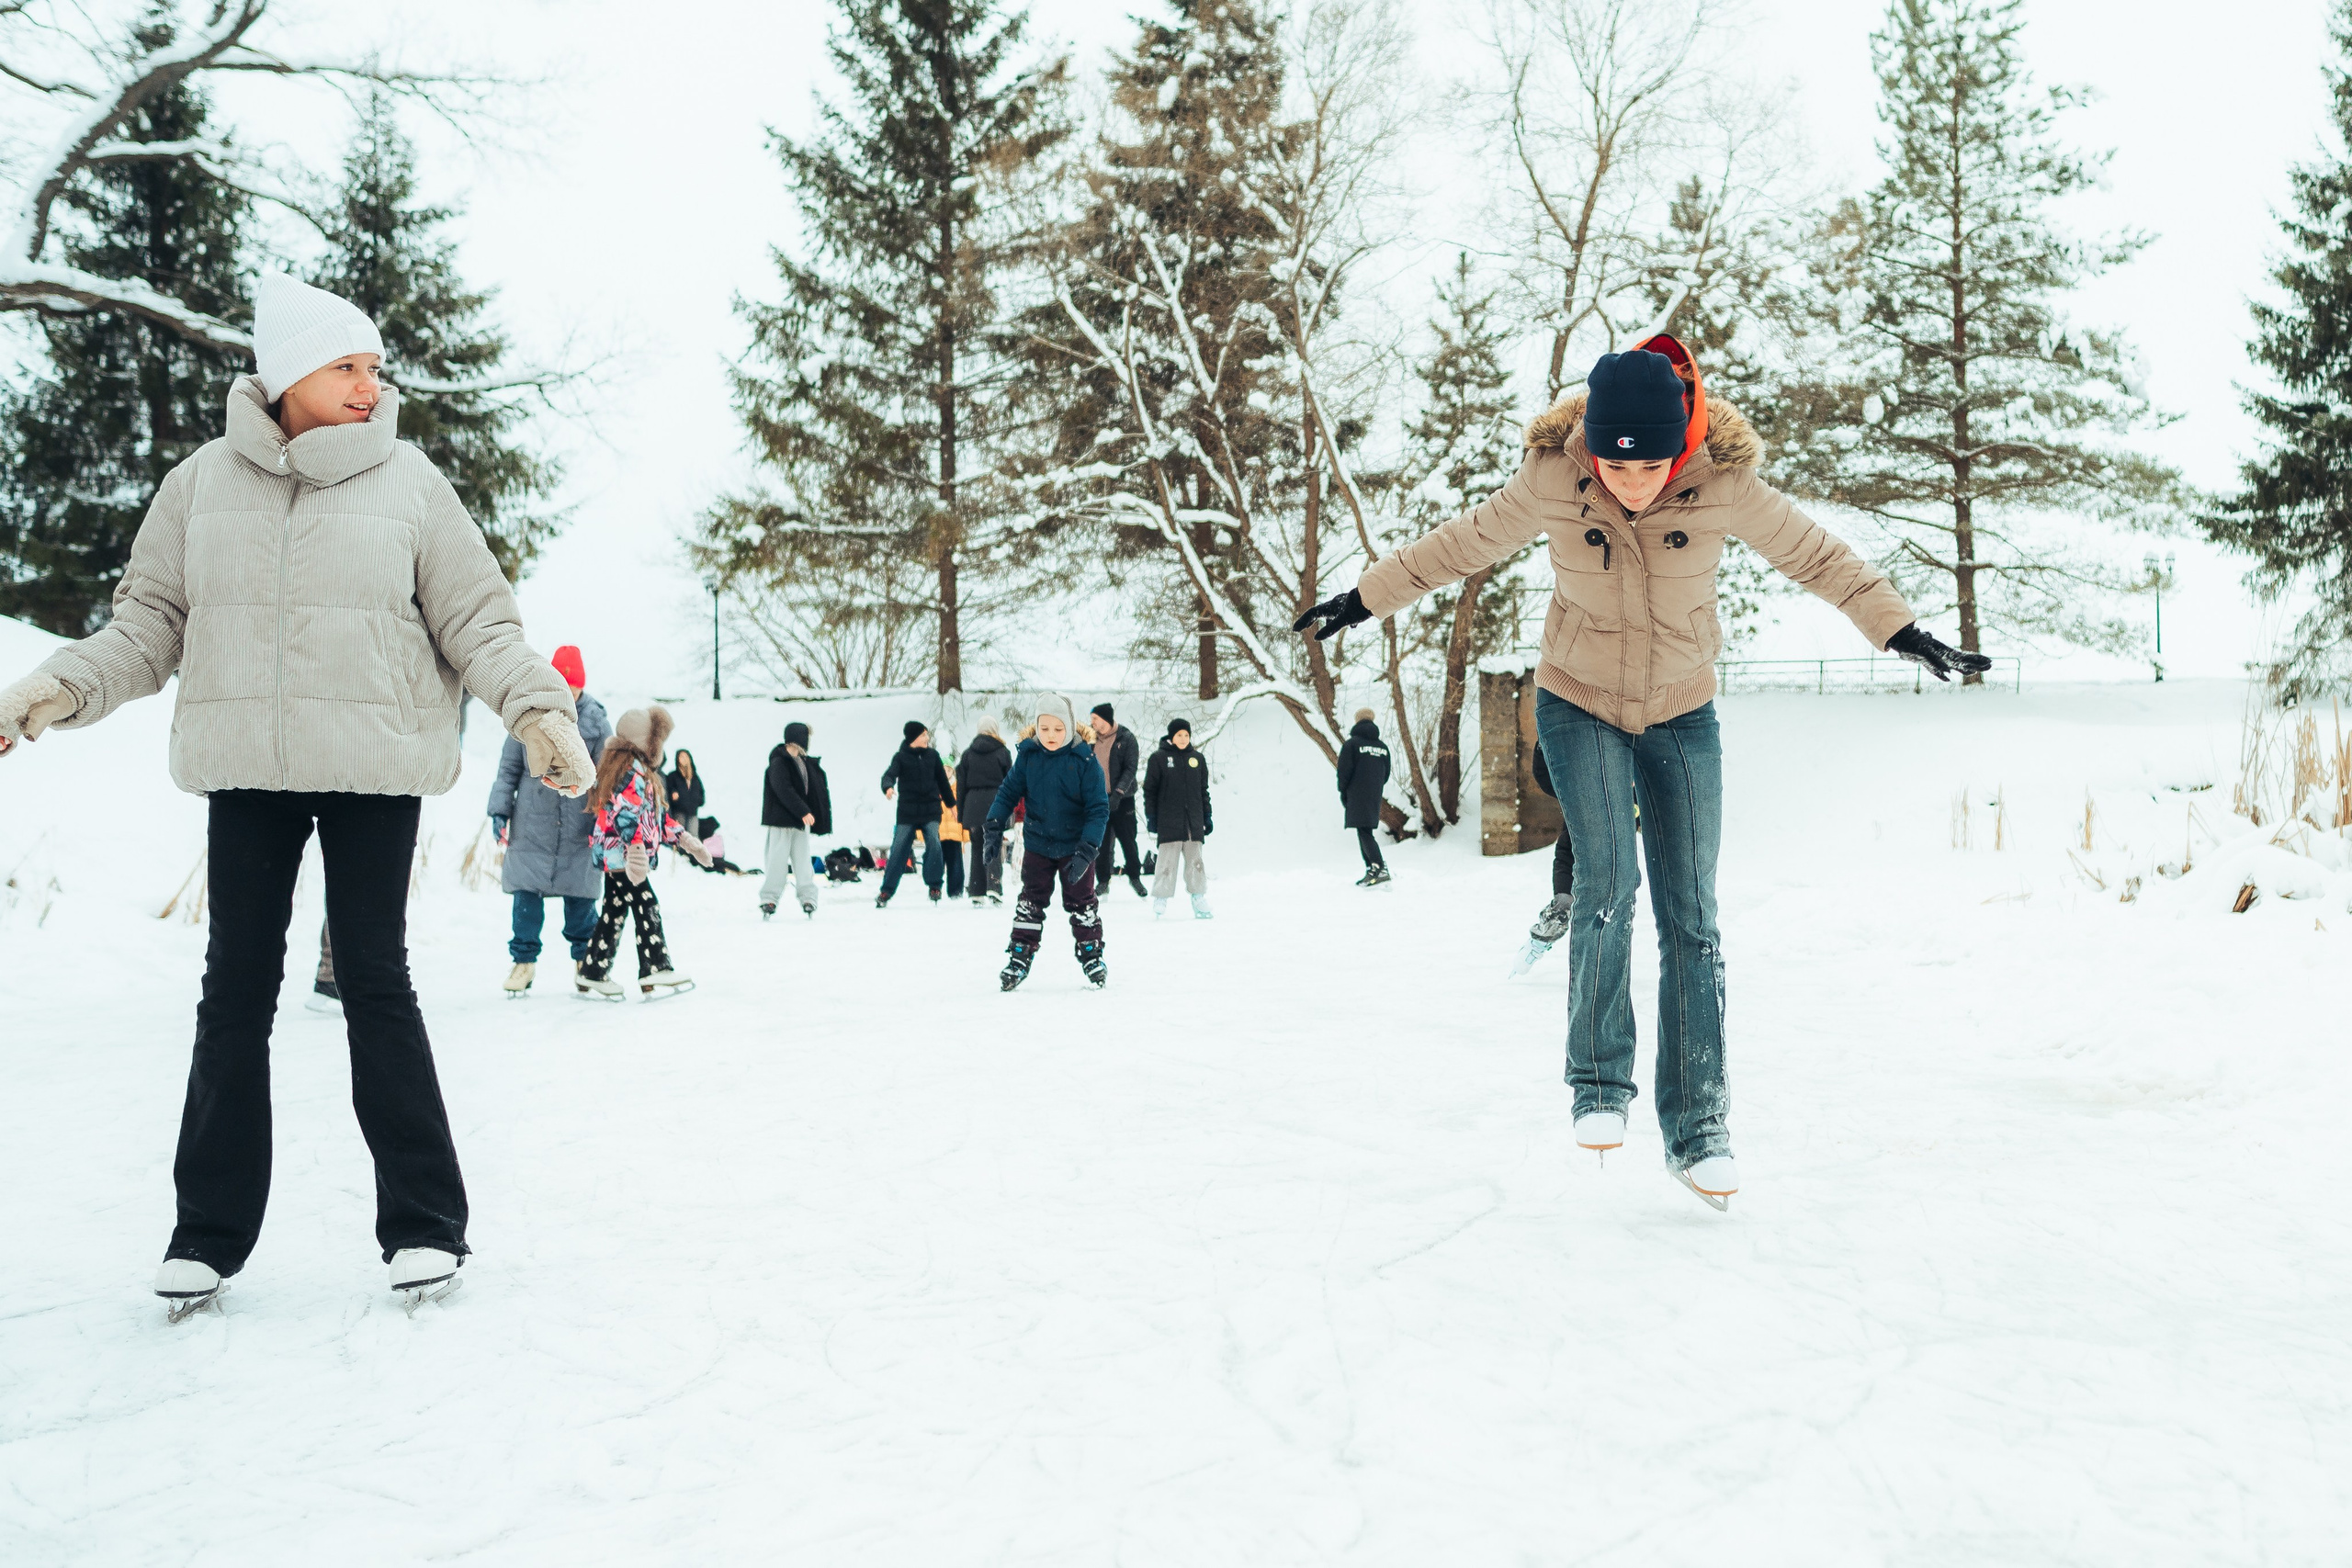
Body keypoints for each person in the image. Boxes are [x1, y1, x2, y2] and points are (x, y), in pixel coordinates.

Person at [0, 271, 595, 1315]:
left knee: (374, 979)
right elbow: (146, 629)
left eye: (374, 368)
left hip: (374, 768)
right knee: (234, 988)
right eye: (345, 368)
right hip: (249, 771)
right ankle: (206, 1237)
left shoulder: (409, 483)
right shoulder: (198, 486)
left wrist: (537, 714)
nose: (369, 385)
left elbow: (480, 623)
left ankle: (423, 1227)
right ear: (285, 376)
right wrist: (55, 691)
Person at [1294, 333, 1991, 1210]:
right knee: (1606, 884)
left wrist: (1900, 631)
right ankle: (1597, 1084)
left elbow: (1818, 557)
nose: (1632, 483)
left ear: (1682, 444)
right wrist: (1362, 599)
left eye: (1651, 465)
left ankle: (1700, 1129)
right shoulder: (1553, 477)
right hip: (1576, 699)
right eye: (1614, 467)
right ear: (1590, 448)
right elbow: (1459, 544)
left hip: (1681, 708)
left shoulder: (1723, 481)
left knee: (1693, 916)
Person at [489, 643, 610, 997]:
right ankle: (523, 963)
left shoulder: (596, 720)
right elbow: (509, 767)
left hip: (579, 825)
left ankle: (584, 963)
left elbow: (606, 773)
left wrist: (605, 817)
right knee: (526, 897)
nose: (568, 693)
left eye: (573, 686)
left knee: (581, 899)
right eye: (563, 684)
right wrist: (499, 810)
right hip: (532, 823)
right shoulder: (530, 713)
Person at [578, 705, 711, 999]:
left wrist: (688, 841)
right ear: (645, 743)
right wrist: (636, 851)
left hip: (621, 856)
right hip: (623, 857)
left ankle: (593, 972)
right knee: (646, 903)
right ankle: (656, 967)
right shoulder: (630, 774)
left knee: (614, 911)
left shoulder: (641, 774)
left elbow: (657, 821)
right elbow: (626, 816)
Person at [986, 694, 1110, 990]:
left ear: (1068, 727)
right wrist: (992, 825)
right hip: (1039, 846)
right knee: (1030, 902)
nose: (1051, 736)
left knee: (1082, 903)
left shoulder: (1085, 761)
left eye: (1057, 729)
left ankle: (1092, 954)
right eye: (1044, 729)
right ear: (1036, 728)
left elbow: (1098, 809)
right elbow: (1007, 793)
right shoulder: (1028, 757)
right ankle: (1019, 955)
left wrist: (1088, 849)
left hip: (1076, 849)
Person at [1509, 743, 1577, 976]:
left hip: (1618, 848)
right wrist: (1545, 743)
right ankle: (1560, 909)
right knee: (1568, 849)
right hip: (1580, 828)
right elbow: (1548, 780)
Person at [877, 720, 956, 907]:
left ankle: (934, 885)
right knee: (898, 850)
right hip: (908, 812)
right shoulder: (901, 757)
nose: (927, 738)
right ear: (914, 738)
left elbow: (943, 783)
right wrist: (888, 787)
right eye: (923, 735)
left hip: (930, 810)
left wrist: (951, 804)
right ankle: (886, 891)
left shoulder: (933, 756)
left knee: (935, 845)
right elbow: (889, 775)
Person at [1142, 716, 1213, 919]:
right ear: (1172, 737)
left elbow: (1203, 790)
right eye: (1179, 735)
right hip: (1169, 821)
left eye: (1186, 735)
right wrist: (1152, 816)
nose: (1183, 738)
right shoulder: (1159, 758)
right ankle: (1161, 899)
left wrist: (1206, 816)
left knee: (1196, 862)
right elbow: (1150, 790)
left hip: (1193, 821)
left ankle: (1198, 897)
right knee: (1166, 862)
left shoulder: (1197, 759)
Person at [761, 720, 831, 919]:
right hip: (781, 821)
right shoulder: (778, 762)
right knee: (777, 861)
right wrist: (803, 811)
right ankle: (769, 898)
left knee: (803, 863)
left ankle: (808, 897)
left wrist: (817, 814)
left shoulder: (803, 761)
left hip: (800, 824)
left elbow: (813, 791)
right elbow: (784, 790)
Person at [1088, 702, 1146, 898]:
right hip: (1098, 800)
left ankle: (1135, 877)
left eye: (1095, 719)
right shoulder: (1090, 739)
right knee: (1101, 844)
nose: (1092, 723)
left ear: (1106, 719)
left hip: (1123, 799)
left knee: (1128, 840)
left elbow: (1131, 768)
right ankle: (1103, 881)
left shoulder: (1126, 738)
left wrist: (1118, 793)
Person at [955, 717, 1013, 906]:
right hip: (995, 803)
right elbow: (1009, 783)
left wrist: (962, 814)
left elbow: (961, 787)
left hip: (972, 804)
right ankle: (994, 887)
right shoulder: (1003, 753)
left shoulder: (967, 754)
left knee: (977, 846)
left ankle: (976, 890)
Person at [1335, 710, 1393, 886]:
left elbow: (1343, 772)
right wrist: (1374, 786)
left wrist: (1343, 791)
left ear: (1357, 721)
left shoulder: (1352, 745)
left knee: (1364, 831)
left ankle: (1379, 868)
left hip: (1356, 793)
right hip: (1374, 793)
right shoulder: (1382, 747)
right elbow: (1386, 773)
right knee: (1365, 829)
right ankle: (1372, 869)